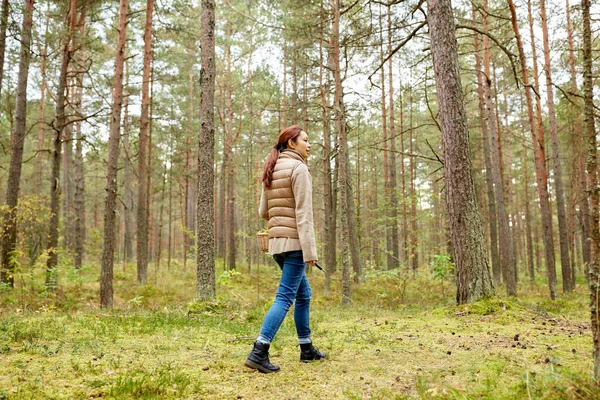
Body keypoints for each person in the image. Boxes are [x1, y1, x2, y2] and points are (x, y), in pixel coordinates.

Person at [245, 125, 326, 373]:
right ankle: (259, 350)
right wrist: (310, 252)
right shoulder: (299, 168)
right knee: (285, 297)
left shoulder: (272, 167)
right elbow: (303, 213)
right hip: (294, 244)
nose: (309, 144)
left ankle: (306, 348)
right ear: (291, 143)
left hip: (277, 243)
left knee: (304, 294)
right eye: (305, 140)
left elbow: (263, 212)